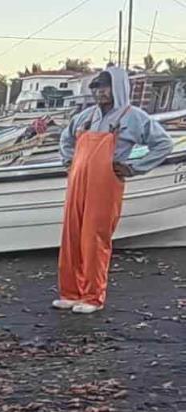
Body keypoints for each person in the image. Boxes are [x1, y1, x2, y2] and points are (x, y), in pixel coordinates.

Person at [55, 67, 173, 314]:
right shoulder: (86, 116)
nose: (100, 92)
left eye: (105, 87)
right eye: (96, 88)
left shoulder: (134, 117)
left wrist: (134, 167)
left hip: (106, 183)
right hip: (77, 182)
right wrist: (69, 160)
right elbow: (66, 139)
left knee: (94, 238)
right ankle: (70, 292)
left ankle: (92, 296)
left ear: (118, 87)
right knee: (72, 236)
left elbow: (163, 144)